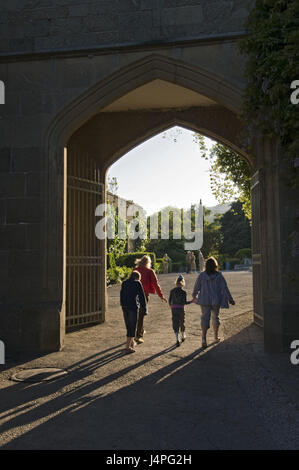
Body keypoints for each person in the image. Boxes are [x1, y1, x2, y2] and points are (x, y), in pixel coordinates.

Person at [192, 256, 235, 349]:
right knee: (215, 318)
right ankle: (215, 336)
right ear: (215, 265)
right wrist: (230, 299)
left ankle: (204, 339)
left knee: (204, 318)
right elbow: (224, 288)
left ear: (206, 265)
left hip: (204, 300)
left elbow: (196, 287)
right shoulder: (219, 275)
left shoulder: (202, 275)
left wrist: (194, 295)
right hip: (216, 300)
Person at [133, 255, 167, 343]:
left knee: (138, 314)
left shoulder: (135, 270)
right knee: (141, 314)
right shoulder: (150, 271)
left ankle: (140, 330)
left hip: (133, 294)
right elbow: (156, 284)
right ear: (148, 263)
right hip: (143, 295)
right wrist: (161, 296)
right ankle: (138, 336)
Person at [120, 270, 147, 354]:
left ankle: (131, 343)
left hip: (125, 307)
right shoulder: (137, 283)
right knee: (132, 326)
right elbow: (142, 297)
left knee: (128, 326)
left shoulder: (124, 283)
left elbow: (121, 295)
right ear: (137, 277)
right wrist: (144, 309)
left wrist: (122, 305)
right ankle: (127, 347)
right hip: (133, 307)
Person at [169, 275, 192, 347]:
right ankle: (183, 335)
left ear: (176, 282)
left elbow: (170, 301)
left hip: (174, 309)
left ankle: (177, 339)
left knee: (175, 323)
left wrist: (172, 306)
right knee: (182, 322)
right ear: (183, 283)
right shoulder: (183, 292)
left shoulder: (172, 291)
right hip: (181, 309)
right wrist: (192, 301)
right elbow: (184, 302)